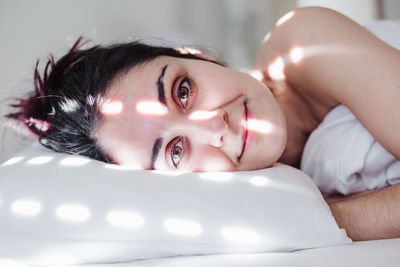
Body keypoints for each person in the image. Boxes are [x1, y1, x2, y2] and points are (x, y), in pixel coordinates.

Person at [6, 7, 400, 241]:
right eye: (176, 151)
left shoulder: (303, 44)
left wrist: (326, 218)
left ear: (192, 55)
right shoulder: (261, 196)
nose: (214, 126)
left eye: (182, 91)